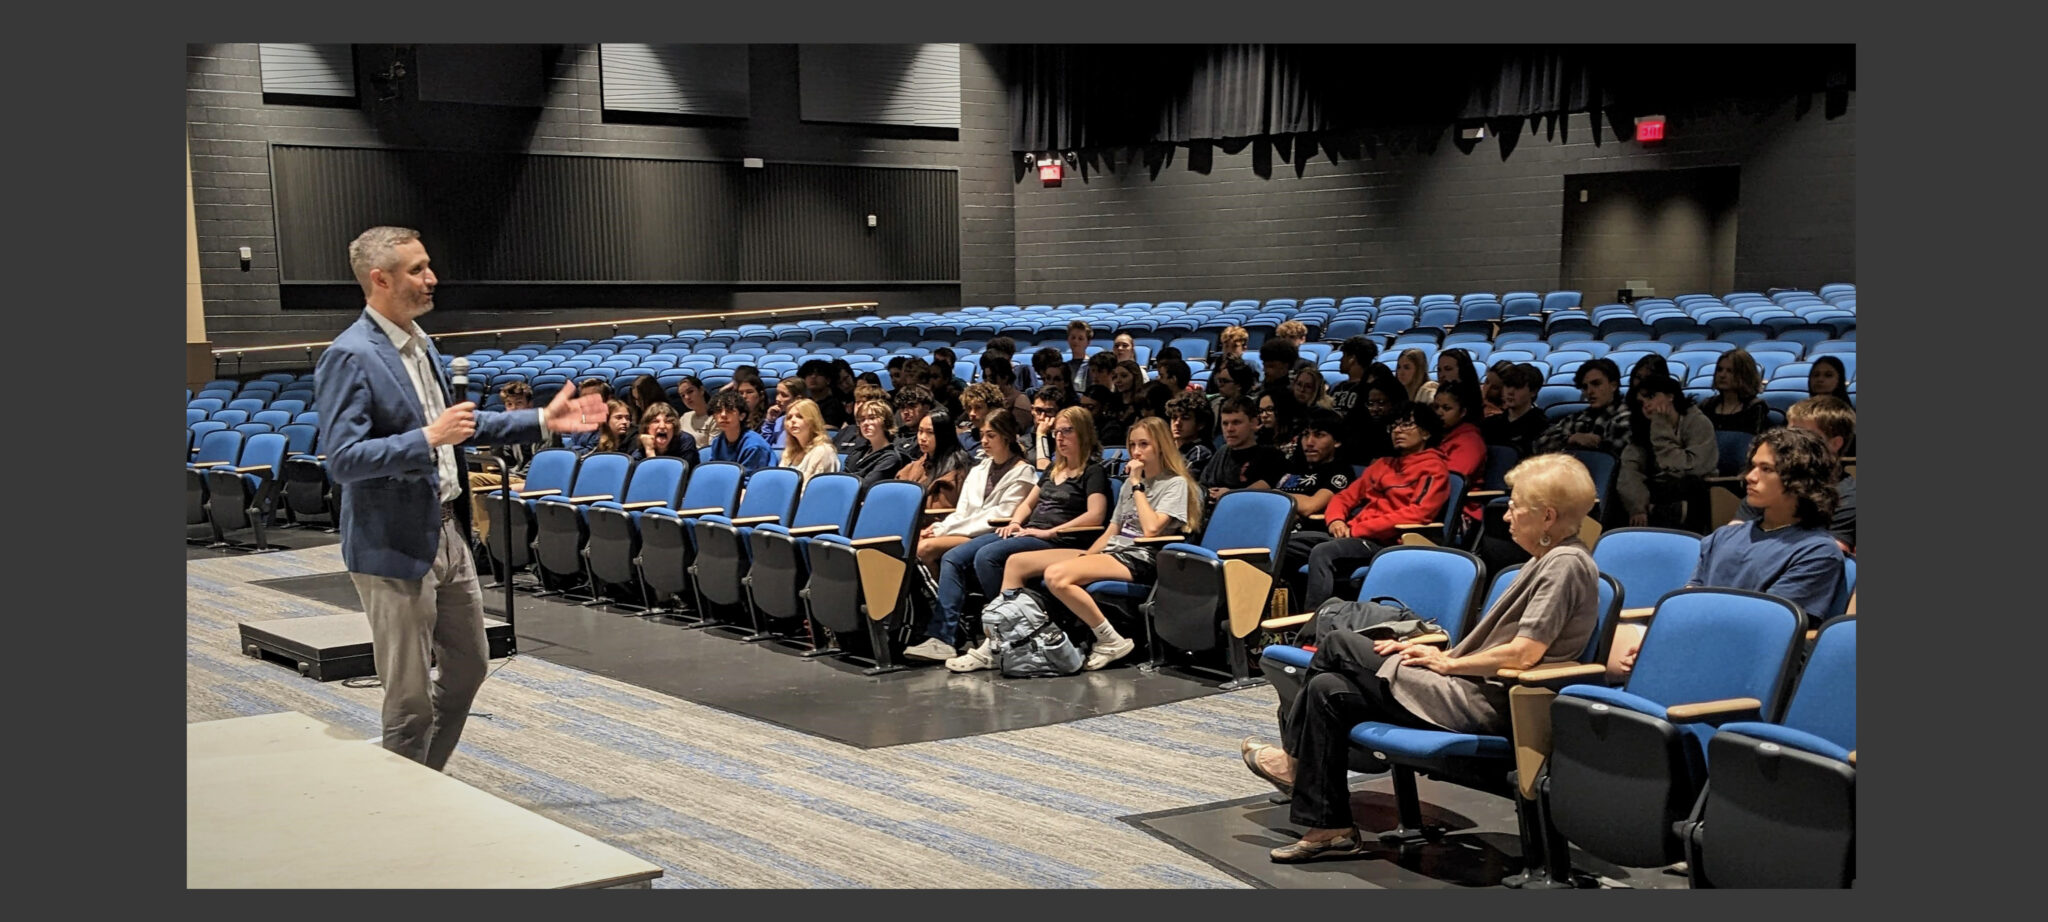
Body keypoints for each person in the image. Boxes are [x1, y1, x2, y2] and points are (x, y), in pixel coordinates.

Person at [315, 226, 605, 770]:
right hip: (392, 543)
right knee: (408, 701)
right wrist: (427, 437)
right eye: (418, 269)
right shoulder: (351, 355)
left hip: (448, 530)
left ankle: (422, 775)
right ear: (380, 279)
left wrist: (542, 418)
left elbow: (463, 428)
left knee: (470, 666)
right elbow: (343, 459)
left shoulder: (421, 346)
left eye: (429, 266)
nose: (433, 278)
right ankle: (404, 810)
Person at [1241, 453, 1601, 862]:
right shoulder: (1545, 561)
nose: (1507, 516)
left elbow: (1524, 653)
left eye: (1516, 505)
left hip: (1484, 701)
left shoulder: (1566, 565)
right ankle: (1331, 827)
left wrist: (1448, 665)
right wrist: (1431, 649)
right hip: (1464, 686)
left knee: (1340, 643)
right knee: (1328, 689)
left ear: (1548, 516)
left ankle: (1293, 762)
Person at [1609, 426, 1846, 679]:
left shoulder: (1817, 551)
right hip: (1698, 645)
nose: (1750, 477)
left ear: (1801, 480)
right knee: (1606, 635)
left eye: (1766, 469)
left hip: (1745, 662)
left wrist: (1670, 649)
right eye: (1753, 466)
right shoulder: (1724, 536)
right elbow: (1689, 603)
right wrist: (1659, 642)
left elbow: (1767, 627)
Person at [994, 416, 1203, 671]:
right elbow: (1112, 531)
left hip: (1142, 557)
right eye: (1133, 445)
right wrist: (1085, 558)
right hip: (1114, 550)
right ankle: (1003, 638)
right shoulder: (1129, 484)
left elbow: (1151, 529)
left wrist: (1138, 484)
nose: (1136, 452)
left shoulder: (1174, 484)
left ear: (1161, 446)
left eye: (1144, 445)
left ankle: (1110, 639)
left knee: (1056, 576)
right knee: (1017, 563)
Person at [942, 407, 1115, 673]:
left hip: (1063, 540)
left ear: (1083, 432)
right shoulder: (1054, 470)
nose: (1060, 437)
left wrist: (1048, 532)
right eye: (1057, 431)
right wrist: (1015, 522)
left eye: (1067, 430)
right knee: (977, 553)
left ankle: (1003, 629)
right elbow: (1027, 503)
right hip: (1031, 533)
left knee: (990, 557)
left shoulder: (1092, 472)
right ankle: (1006, 625)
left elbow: (1096, 515)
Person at [902, 410, 1040, 662]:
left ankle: (945, 629)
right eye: (982, 435)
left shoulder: (1023, 472)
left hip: (994, 533)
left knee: (928, 551)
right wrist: (941, 527)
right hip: (966, 531)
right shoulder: (980, 468)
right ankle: (938, 620)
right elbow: (963, 510)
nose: (984, 441)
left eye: (991, 435)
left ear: (1007, 437)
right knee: (919, 544)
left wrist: (946, 530)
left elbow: (1000, 515)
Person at [1285, 404, 1451, 609]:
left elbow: (1418, 513)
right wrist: (1336, 520)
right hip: (1351, 535)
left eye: (1406, 425)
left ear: (1426, 432)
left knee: (1322, 552)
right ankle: (1272, 619)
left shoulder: (1434, 469)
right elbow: (1344, 497)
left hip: (1386, 542)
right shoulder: (1383, 464)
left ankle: (1314, 627)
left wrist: (1358, 529)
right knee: (1283, 544)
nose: (1398, 430)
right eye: (1395, 426)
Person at [1734, 395, 1856, 554]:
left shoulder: (1848, 498)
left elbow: (1823, 555)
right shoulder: (1772, 485)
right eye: (1789, 432)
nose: (1790, 442)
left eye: (1802, 435)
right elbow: (1733, 536)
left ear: (1835, 444)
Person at [1616, 373, 1718, 531]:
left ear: (1670, 396)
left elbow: (1690, 467)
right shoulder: (1643, 429)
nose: (1646, 405)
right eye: (1641, 402)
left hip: (1695, 490)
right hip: (1658, 491)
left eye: (1650, 397)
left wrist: (1661, 430)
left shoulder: (1698, 422)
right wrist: (1637, 507)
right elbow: (1630, 470)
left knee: (1691, 485)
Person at [466, 381, 542, 545]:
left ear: (530, 404)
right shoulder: (512, 429)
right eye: (509, 404)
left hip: (532, 480)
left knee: (481, 491)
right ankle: (481, 538)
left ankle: (486, 543)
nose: (513, 409)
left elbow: (541, 465)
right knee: (470, 478)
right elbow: (504, 459)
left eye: (519, 403)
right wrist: (498, 438)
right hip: (513, 476)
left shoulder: (543, 427)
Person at [1532, 357, 1630, 458]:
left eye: (1596, 384)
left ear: (1613, 385)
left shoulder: (1628, 417)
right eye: (1585, 387)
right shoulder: (1579, 417)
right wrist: (1571, 439)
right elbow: (1538, 444)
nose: (1589, 391)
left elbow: (1617, 451)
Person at [1201, 396, 1289, 503]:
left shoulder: (1271, 456)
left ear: (1254, 423)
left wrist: (1228, 495)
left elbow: (1263, 487)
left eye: (1236, 422)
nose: (1229, 429)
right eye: (1225, 423)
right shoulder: (1221, 452)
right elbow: (1202, 485)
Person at [1275, 409, 1353, 518]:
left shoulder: (1341, 471)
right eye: (1305, 434)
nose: (1309, 442)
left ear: (1337, 441)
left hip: (1307, 533)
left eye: (1319, 435)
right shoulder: (1289, 466)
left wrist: (1271, 497)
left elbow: (1310, 506)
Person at [1431, 378, 1489, 525]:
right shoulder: (1433, 436)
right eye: (1436, 407)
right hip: (1431, 504)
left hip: (1459, 512)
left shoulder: (1470, 442)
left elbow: (1450, 481)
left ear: (1462, 412)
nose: (1439, 413)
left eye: (1446, 408)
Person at [896, 408, 971, 511]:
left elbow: (941, 512)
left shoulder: (956, 472)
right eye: (920, 431)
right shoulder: (917, 464)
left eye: (930, 432)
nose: (922, 437)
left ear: (944, 434)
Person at [1480, 362, 1550, 460]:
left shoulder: (1542, 426)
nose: (1510, 392)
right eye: (1508, 386)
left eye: (1518, 387)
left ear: (1533, 392)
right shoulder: (1489, 424)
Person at [1701, 349, 1771, 435]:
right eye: (1719, 369)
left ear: (1744, 375)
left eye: (1730, 371)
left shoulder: (1755, 407)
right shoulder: (1707, 405)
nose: (1722, 375)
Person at [703, 390, 775, 472]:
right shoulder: (717, 442)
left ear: (742, 416)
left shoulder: (754, 446)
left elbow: (748, 481)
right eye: (718, 411)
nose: (723, 415)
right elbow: (713, 472)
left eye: (729, 410)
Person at [843, 399, 908, 488]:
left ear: (885, 422)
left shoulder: (891, 458)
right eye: (862, 420)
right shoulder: (857, 453)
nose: (865, 423)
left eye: (872, 418)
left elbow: (865, 487)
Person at [777, 398, 839, 483]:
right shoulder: (789, 452)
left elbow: (812, 490)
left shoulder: (823, 452)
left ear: (812, 421)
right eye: (789, 417)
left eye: (800, 416)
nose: (793, 421)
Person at [630, 401, 699, 466]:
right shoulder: (640, 451)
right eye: (656, 421)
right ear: (647, 428)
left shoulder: (685, 441)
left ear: (674, 427)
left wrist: (650, 453)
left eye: (668, 422)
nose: (662, 426)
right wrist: (649, 450)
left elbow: (679, 476)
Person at [1165, 390, 1216, 474]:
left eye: (1185, 418)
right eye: (1174, 417)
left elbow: (1184, 483)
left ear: (1201, 424)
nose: (1177, 423)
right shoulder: (1167, 446)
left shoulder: (1201, 452)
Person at [1025, 386, 1065, 472]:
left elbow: (1045, 470)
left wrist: (1041, 434)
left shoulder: (1064, 442)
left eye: (1049, 412)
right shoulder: (1023, 443)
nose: (1042, 417)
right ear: (1032, 410)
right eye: (1038, 411)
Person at [674, 374, 718, 448]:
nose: (687, 397)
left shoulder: (715, 418)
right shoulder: (685, 417)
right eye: (683, 395)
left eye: (690, 391)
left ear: (701, 390)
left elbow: (710, 450)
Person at [759, 377, 801, 450]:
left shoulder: (805, 423)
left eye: (784, 395)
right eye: (777, 394)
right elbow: (764, 447)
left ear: (797, 399)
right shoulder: (779, 420)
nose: (777, 399)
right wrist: (769, 422)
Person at [1064, 319, 1097, 390]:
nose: (1075, 341)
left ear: (1088, 342)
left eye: (1080, 338)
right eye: (1073, 337)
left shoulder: (1093, 366)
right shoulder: (1064, 367)